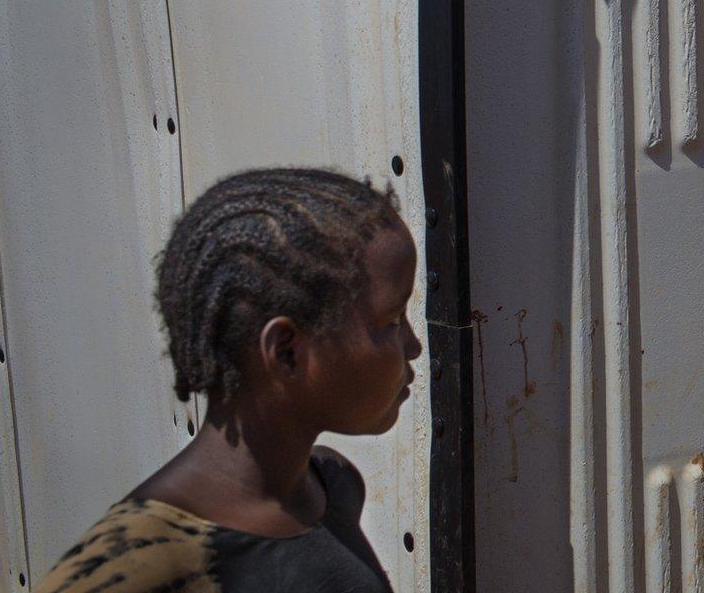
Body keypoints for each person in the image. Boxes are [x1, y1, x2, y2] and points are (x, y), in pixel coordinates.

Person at [38, 169, 420, 593]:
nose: (414, 345)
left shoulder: (330, 486)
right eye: (391, 321)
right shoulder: (134, 565)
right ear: (286, 352)